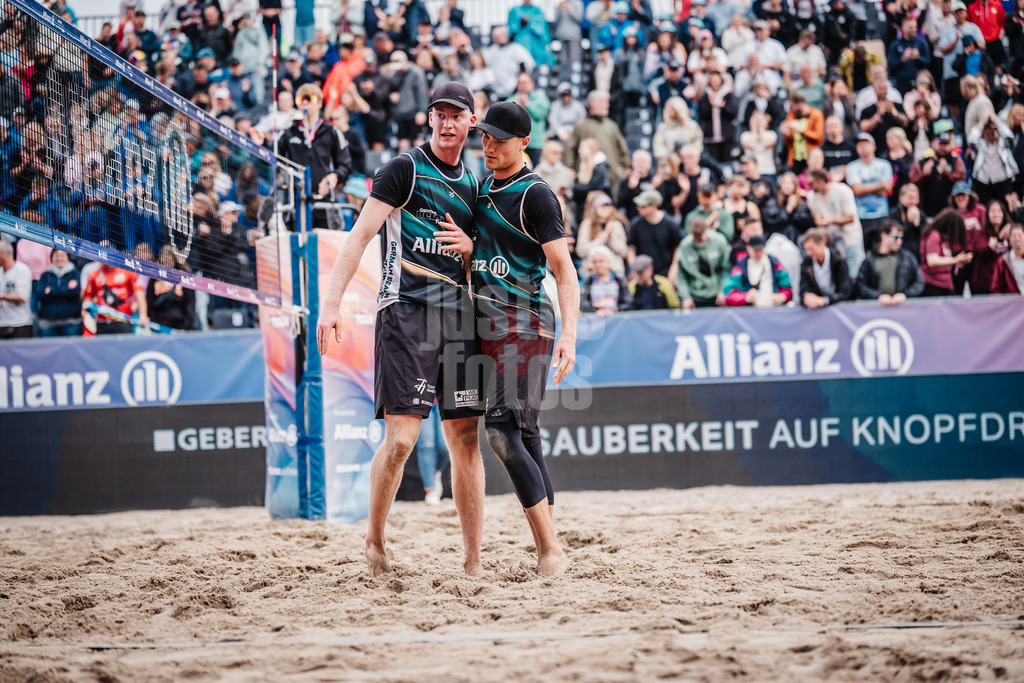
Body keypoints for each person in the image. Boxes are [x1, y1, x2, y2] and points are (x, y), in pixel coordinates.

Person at [315, 82, 485, 578]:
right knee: (402, 441)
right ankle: (374, 542)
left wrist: (472, 249)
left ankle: (473, 560)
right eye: (440, 114)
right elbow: (359, 237)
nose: (448, 122)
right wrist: (332, 304)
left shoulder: (474, 185)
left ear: (471, 122)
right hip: (405, 311)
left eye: (457, 115)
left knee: (466, 442)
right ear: (429, 119)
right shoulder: (404, 169)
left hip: (458, 319)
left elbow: (477, 264)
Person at [455, 101, 579, 576]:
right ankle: (551, 541)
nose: (487, 144)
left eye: (498, 139)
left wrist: (571, 333)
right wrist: (472, 251)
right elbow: (483, 256)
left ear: (523, 143)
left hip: (528, 323)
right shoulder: (483, 187)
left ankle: (550, 551)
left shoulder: (537, 195)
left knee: (501, 431)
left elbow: (564, 271)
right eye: (483, 135)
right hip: (488, 323)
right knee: (525, 434)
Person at [249, 83, 352, 228]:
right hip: (295, 203)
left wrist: (334, 176)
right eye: (299, 99)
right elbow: (272, 158)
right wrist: (262, 144)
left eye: (308, 98)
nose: (303, 102)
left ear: (320, 103)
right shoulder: (289, 131)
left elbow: (345, 165)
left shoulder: (332, 132)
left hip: (323, 203)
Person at [806, 168, 864, 274]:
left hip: (850, 238)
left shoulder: (842, 190)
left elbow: (851, 217)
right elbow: (815, 217)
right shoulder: (811, 196)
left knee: (855, 273)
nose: (810, 186)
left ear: (821, 181)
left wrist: (830, 221)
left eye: (811, 183)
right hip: (830, 243)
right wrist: (817, 220)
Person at [857, 220, 926, 304]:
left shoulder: (908, 258)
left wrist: (905, 295)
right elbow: (861, 285)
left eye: (901, 238)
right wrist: (878, 296)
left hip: (903, 308)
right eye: (896, 237)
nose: (899, 242)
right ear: (884, 236)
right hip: (876, 310)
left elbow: (919, 282)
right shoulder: (869, 260)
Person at [845, 133, 893, 252]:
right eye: (860, 145)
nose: (863, 147)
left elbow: (887, 188)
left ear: (874, 147)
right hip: (861, 215)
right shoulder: (851, 167)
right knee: (864, 250)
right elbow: (856, 190)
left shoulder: (884, 165)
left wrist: (864, 188)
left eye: (866, 144)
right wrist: (879, 185)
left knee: (882, 248)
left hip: (881, 214)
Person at [672, 216, 730, 308]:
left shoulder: (719, 241)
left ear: (706, 230)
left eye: (701, 237)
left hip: (716, 296)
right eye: (696, 238)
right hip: (695, 298)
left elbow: (726, 269)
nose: (698, 240)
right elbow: (681, 277)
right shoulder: (685, 246)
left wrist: (722, 290)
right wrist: (686, 297)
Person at [723, 234, 793, 306]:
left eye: (760, 249)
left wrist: (782, 296)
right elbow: (729, 292)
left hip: (773, 308)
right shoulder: (740, 267)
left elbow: (787, 288)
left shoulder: (775, 263)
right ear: (748, 247)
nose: (758, 253)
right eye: (755, 250)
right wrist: (745, 297)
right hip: (750, 310)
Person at [81, 260, 149, 335]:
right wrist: (87, 315)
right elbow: (87, 298)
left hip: (123, 320)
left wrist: (143, 315)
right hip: (102, 322)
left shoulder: (128, 272)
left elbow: (139, 295)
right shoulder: (94, 275)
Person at [627, 189, 682, 276]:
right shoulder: (635, 224)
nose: (639, 208)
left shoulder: (670, 224)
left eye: (643, 206)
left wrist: (674, 269)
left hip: (666, 271)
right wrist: (635, 269)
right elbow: (629, 249)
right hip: (644, 273)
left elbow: (678, 246)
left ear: (654, 206)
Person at [967, 113, 1019, 205]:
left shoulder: (1003, 143)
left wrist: (997, 121)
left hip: (1002, 180)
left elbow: (1009, 136)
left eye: (993, 131)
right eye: (987, 131)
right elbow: (971, 139)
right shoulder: (980, 144)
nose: (990, 134)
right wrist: (982, 123)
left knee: (1005, 206)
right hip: (983, 181)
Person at [920, 207, 973, 296]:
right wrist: (956, 260)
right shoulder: (934, 235)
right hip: (933, 284)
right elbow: (932, 261)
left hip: (945, 284)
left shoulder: (943, 239)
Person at [575, 193, 629, 274]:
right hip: (592, 271)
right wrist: (602, 238)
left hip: (614, 270)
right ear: (595, 208)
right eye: (602, 206)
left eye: (607, 206)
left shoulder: (617, 225)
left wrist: (611, 238)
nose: (605, 209)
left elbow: (624, 251)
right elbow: (581, 251)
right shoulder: (587, 224)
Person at [799, 227, 853, 308]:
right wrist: (807, 298)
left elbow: (845, 292)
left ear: (822, 244)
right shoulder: (806, 264)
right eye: (806, 249)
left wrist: (825, 300)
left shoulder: (839, 261)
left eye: (811, 249)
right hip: (816, 309)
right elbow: (803, 290)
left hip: (840, 307)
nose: (808, 253)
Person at [147, 245, 196, 331]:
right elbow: (150, 303)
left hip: (180, 326)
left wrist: (186, 327)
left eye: (168, 258)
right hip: (160, 326)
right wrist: (154, 325)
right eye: (163, 257)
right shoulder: (154, 279)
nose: (165, 261)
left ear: (174, 260)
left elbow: (190, 305)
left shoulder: (184, 278)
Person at [35, 248, 82, 337]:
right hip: (48, 323)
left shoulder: (75, 274)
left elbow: (75, 293)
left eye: (62, 255)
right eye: (56, 255)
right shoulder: (45, 275)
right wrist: (66, 290)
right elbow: (40, 295)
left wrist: (51, 290)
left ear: (68, 257)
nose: (59, 258)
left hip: (71, 322)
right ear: (51, 258)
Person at [581, 246, 631, 314]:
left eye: (601, 261)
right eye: (594, 262)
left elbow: (628, 303)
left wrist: (615, 309)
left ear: (608, 262)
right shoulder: (589, 281)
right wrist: (595, 308)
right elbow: (583, 303)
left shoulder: (619, 280)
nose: (598, 265)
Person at [0, 240, 32, 339]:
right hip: (2, 323)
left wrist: (2, 296)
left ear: (3, 253)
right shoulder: (0, 271)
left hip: (20, 323)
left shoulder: (22, 269)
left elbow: (22, 296)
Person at [991, 223, 1024, 293]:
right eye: (1014, 236)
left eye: (1020, 235)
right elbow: (995, 287)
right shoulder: (1003, 261)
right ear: (1009, 239)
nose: (1017, 239)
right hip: (1012, 301)